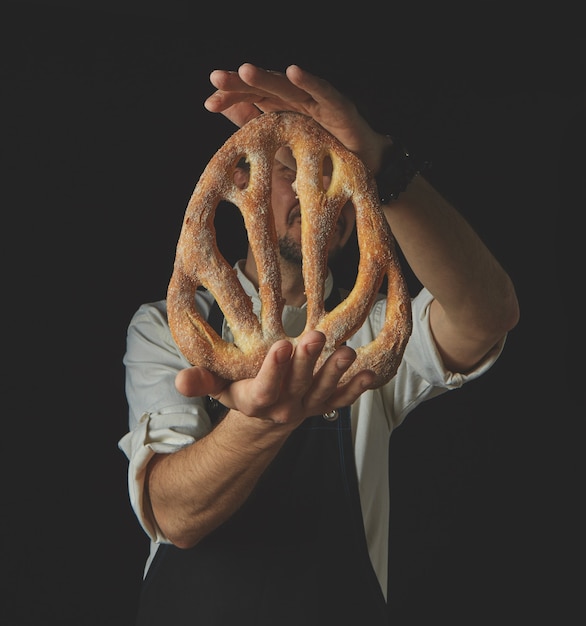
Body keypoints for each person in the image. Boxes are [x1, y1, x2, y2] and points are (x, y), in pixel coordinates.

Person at [118, 63, 520, 626]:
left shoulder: (368, 332)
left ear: (358, 217)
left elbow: (488, 315)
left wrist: (383, 165)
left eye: (338, 179)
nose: (315, 190)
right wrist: (262, 423)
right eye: (290, 169)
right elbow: (175, 515)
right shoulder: (168, 327)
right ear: (243, 183)